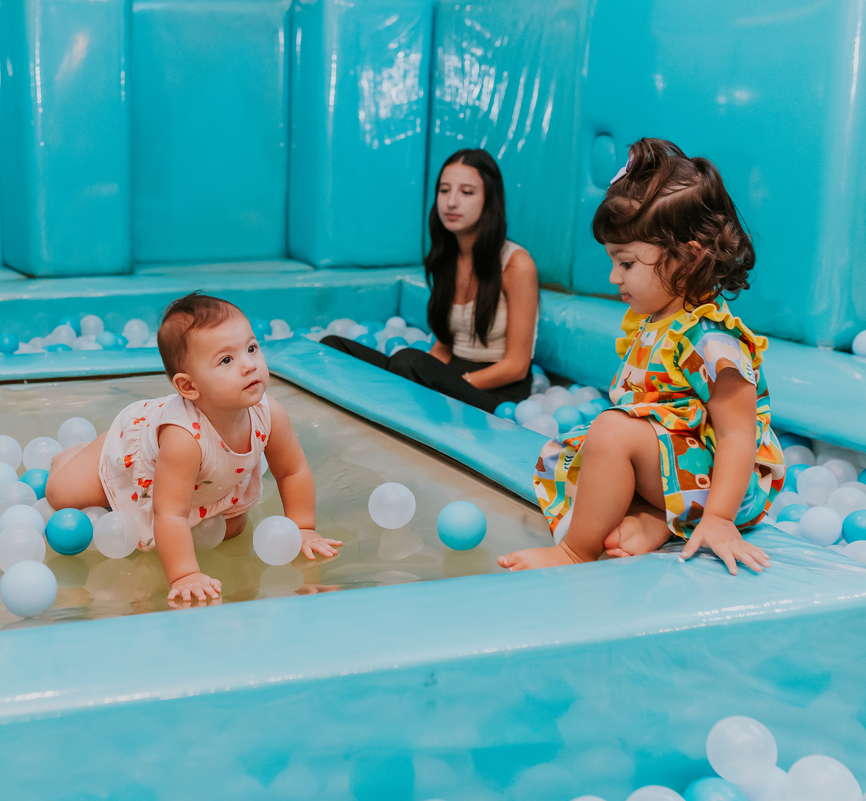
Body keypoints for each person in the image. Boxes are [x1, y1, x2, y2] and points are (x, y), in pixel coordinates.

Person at [499, 138, 785, 574]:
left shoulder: (711, 341)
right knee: (586, 448)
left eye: (627, 263)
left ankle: (575, 551)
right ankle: (657, 518)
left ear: (687, 258)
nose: (613, 277)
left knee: (612, 433)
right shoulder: (657, 320)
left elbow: (737, 436)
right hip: (683, 467)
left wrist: (720, 518)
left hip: (727, 485)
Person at [45, 293, 341, 605]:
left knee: (234, 528)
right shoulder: (183, 439)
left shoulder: (269, 413)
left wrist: (303, 528)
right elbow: (170, 514)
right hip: (135, 455)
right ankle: (83, 452)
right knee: (60, 494)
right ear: (189, 387)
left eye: (251, 348)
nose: (249, 365)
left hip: (205, 482)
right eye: (226, 360)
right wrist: (185, 574)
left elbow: (292, 471)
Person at [321, 149, 539, 413]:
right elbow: (444, 348)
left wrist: (442, 379)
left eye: (466, 192)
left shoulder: (516, 264)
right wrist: (422, 375)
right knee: (332, 346)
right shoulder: (446, 259)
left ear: (490, 200)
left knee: (407, 361)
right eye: (444, 190)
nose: (451, 202)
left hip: (496, 393)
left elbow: (517, 367)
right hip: (451, 377)